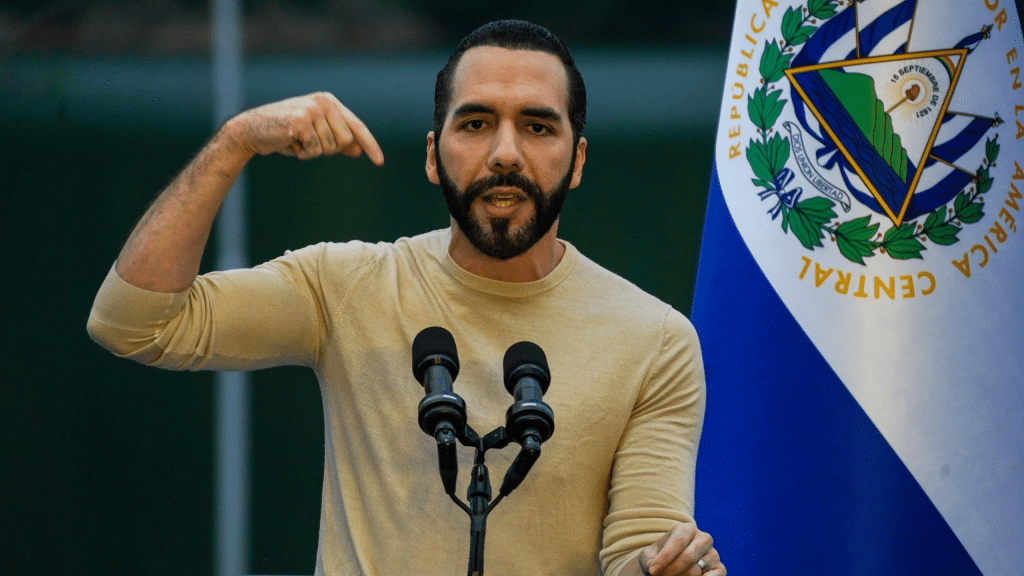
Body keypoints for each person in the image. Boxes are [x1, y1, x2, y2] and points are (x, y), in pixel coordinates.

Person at [87, 19, 725, 576]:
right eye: (475, 123)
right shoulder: (347, 286)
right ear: (432, 155)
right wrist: (236, 142)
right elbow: (135, 323)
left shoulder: (655, 339)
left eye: (537, 126)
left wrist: (662, 567)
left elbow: (638, 548)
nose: (505, 153)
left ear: (578, 161)